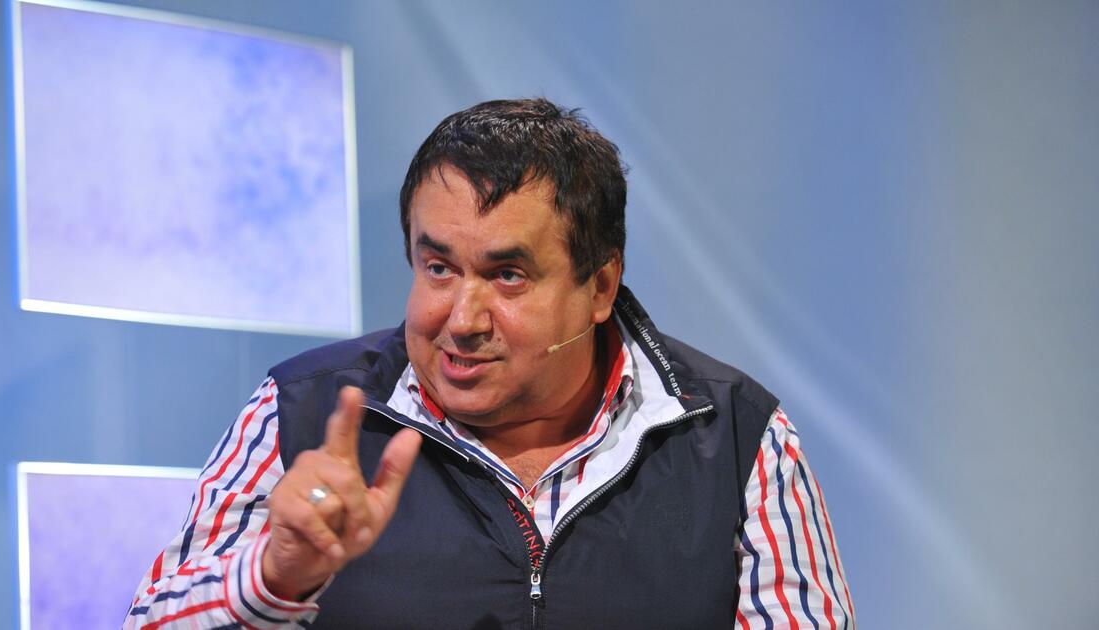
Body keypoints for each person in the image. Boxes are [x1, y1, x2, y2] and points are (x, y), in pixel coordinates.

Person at [124, 98, 854, 629]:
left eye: (508, 276)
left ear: (600, 286)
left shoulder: (734, 436)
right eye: (438, 268)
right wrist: (273, 577)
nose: (462, 320)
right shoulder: (300, 412)